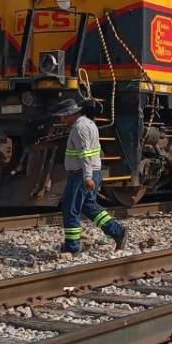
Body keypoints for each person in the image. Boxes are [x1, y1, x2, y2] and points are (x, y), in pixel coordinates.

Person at [53, 98, 127, 254]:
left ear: (70, 115)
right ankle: (117, 231)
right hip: (91, 172)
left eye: (62, 116)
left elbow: (85, 154)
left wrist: (87, 177)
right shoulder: (89, 124)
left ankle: (72, 247)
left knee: (70, 209)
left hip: (81, 175)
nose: (61, 120)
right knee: (89, 207)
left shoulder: (79, 129)